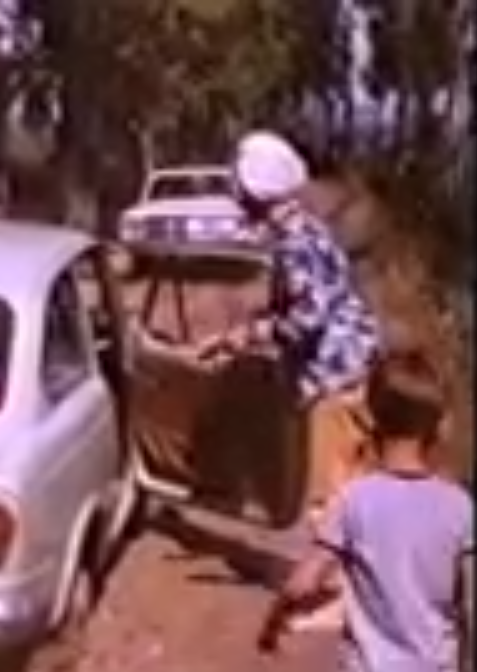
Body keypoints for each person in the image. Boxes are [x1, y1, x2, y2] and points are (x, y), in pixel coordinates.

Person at [201, 130, 381, 520]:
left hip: (333, 378)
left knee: (331, 499)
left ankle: (335, 558)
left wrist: (253, 334)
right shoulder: (302, 230)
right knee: (350, 485)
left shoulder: (295, 242)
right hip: (349, 368)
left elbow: (309, 316)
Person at [257, 349, 473, 672]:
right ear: (438, 425)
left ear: (371, 418)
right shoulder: (459, 506)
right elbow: (468, 602)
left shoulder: (355, 499)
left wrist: (274, 621)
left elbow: (303, 583)